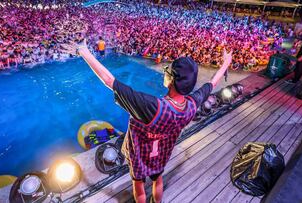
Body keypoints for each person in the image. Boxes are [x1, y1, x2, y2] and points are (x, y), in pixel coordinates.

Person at [67, 39, 233, 202]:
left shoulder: (151, 107)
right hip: (162, 154)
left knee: (138, 184)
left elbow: (110, 81)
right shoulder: (191, 104)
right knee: (158, 180)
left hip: (139, 156)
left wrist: (84, 51)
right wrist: (226, 63)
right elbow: (211, 83)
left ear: (171, 80)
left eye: (167, 70)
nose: (165, 71)